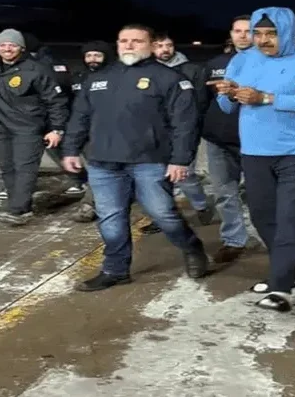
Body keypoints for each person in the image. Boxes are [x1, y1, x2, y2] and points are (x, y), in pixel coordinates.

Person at [208, 7, 295, 312]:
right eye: (258, 33)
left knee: (292, 216)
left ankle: (281, 287)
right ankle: (287, 269)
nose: (263, 40)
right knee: (263, 215)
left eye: (271, 34)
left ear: (289, 32)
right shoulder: (242, 60)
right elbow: (227, 107)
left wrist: (265, 98)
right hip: (255, 151)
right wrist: (229, 93)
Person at [63, 23, 208, 292]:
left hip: (149, 161)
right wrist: (70, 148)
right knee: (111, 219)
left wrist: (180, 159)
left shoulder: (169, 79)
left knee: (163, 214)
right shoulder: (98, 79)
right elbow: (80, 116)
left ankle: (191, 247)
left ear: (151, 46)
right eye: (123, 41)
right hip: (103, 162)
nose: (128, 45)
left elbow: (185, 123)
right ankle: (116, 270)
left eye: (136, 41)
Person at [0, 29, 68, 226]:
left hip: (28, 127)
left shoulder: (36, 69)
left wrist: (56, 128)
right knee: (7, 167)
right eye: (2, 45)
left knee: (24, 167)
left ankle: (18, 210)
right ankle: (18, 203)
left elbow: (56, 101)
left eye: (12, 45)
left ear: (22, 48)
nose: (7, 49)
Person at [200, 14, 252, 263]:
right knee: (224, 192)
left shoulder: (271, 64)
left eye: (248, 30)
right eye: (237, 30)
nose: (242, 35)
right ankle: (234, 240)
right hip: (219, 140)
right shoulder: (215, 64)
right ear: (230, 34)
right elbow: (202, 101)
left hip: (255, 141)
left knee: (262, 195)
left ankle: (275, 238)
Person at [153, 32, 214, 226]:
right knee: (157, 177)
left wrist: (193, 126)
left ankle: (201, 206)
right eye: (159, 46)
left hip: (183, 130)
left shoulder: (192, 70)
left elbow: (201, 101)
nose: (165, 49)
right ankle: (164, 216)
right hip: (155, 131)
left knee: (183, 175)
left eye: (168, 45)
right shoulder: (146, 70)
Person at [68, 40, 115, 223]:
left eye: (97, 55)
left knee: (100, 169)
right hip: (84, 131)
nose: (92, 59)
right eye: (88, 55)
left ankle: (89, 205)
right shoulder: (78, 77)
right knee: (98, 170)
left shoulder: (115, 76)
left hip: (108, 132)